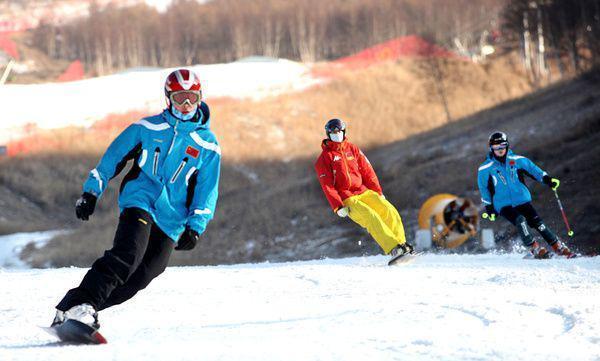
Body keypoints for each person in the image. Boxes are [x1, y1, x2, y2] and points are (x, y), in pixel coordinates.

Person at [52, 69, 221, 329]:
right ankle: (83, 305)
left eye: (191, 98)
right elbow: (112, 158)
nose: (186, 105)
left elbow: (206, 190)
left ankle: (75, 308)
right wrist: (91, 191)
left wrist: (196, 226)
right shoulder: (147, 128)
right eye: (179, 98)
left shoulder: (207, 145)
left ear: (200, 97)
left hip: (171, 218)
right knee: (127, 255)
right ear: (168, 98)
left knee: (141, 277)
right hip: (139, 201)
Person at [314, 118, 413, 264]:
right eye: (333, 132)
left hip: (364, 192)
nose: (337, 134)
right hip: (347, 198)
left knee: (388, 210)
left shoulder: (352, 149)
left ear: (344, 131)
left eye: (339, 131)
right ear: (328, 134)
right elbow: (327, 185)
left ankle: (402, 245)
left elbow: (367, 171)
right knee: (371, 217)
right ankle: (393, 249)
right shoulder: (324, 158)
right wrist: (337, 206)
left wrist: (378, 192)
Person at [477, 131, 575, 259]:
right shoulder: (485, 168)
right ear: (491, 149)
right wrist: (489, 208)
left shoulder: (518, 160)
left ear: (507, 146)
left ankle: (558, 247)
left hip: (521, 199)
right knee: (520, 220)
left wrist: (548, 180)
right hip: (503, 204)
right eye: (496, 148)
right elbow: (484, 189)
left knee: (538, 223)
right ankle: (534, 248)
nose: (500, 150)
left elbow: (534, 171)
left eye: (502, 147)